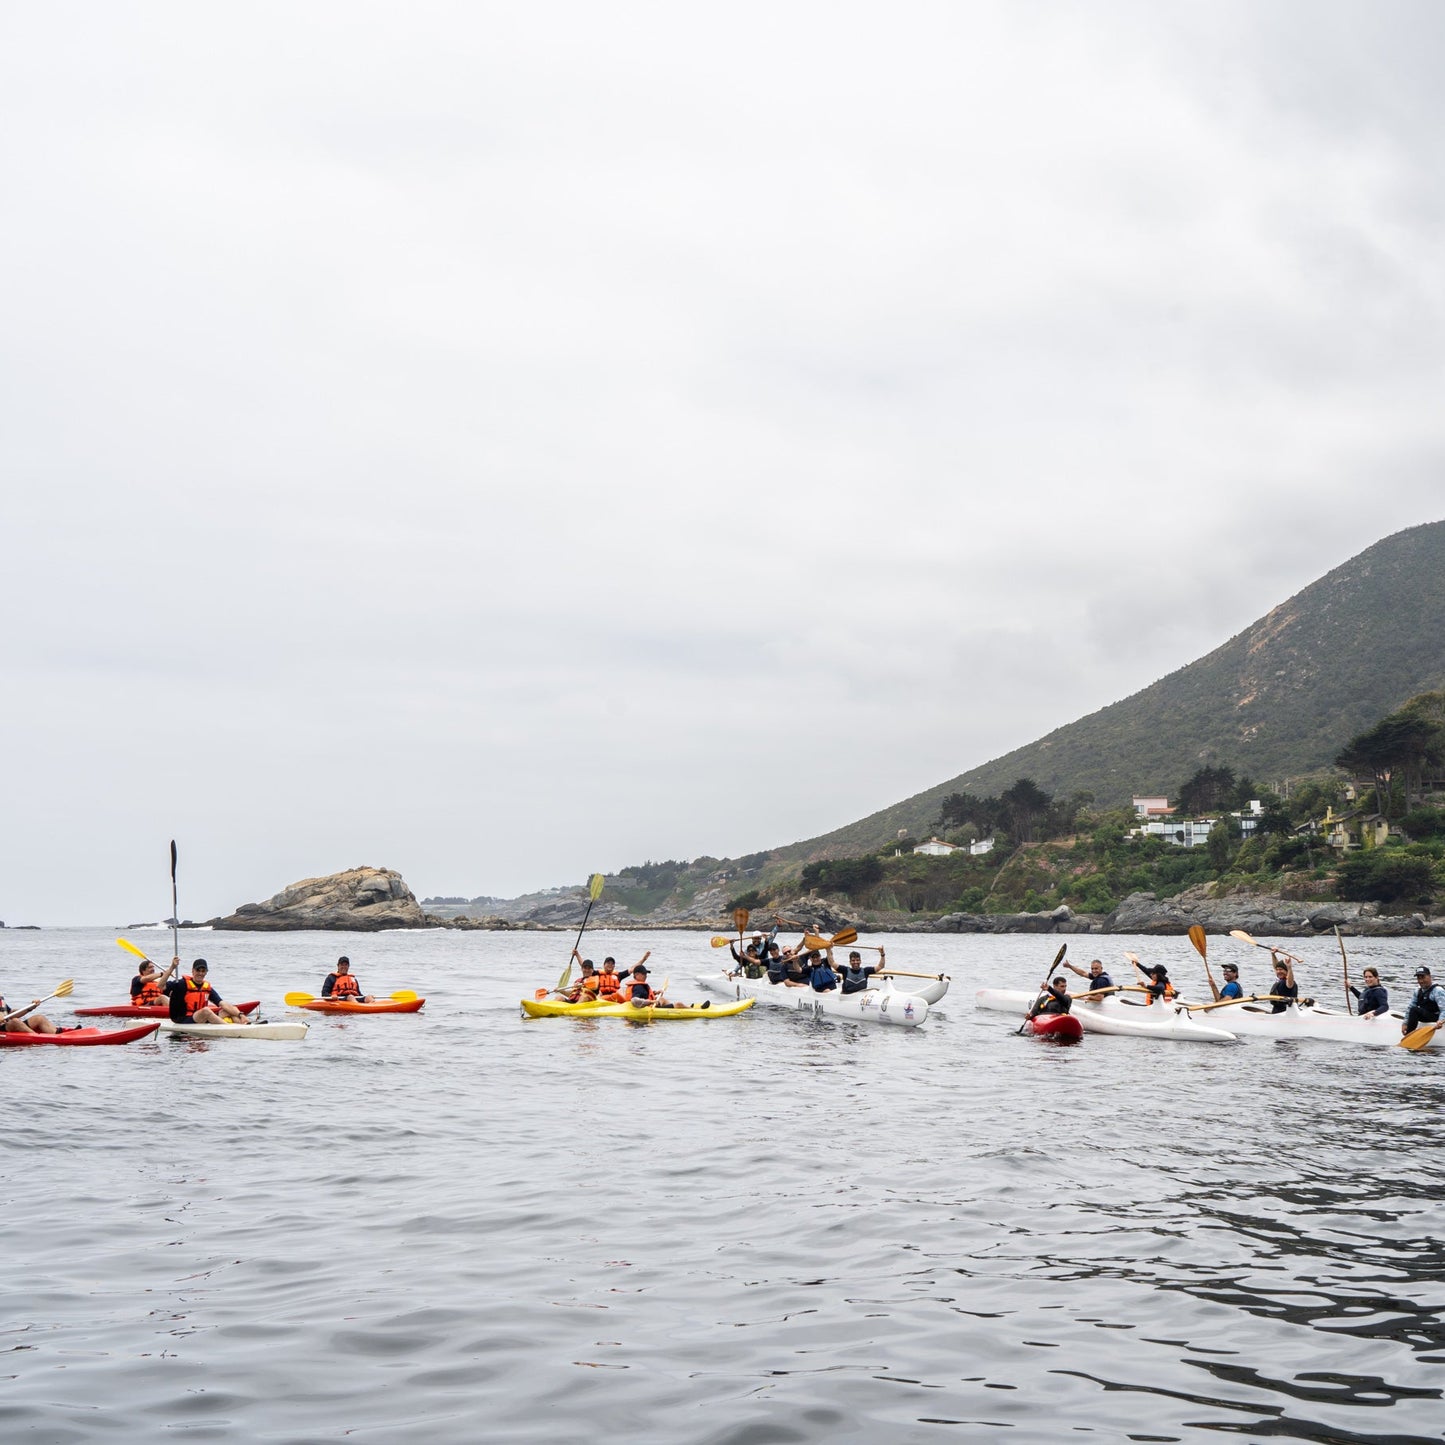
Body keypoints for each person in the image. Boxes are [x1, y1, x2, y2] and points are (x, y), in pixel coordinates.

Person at [168, 961, 251, 1025]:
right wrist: (172, 967)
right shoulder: (182, 984)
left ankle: (243, 1025)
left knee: (228, 1010)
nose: (200, 973)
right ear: (193, 971)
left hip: (201, 1017)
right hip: (184, 1019)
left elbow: (222, 1003)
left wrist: (241, 1015)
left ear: (206, 972)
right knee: (206, 1011)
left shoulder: (207, 987)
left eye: (203, 971)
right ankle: (229, 1028)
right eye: (198, 970)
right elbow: (161, 986)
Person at [1402, 966, 1445, 1037]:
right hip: (1426, 1016)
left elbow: (1444, 1009)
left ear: (1429, 976)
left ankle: (1409, 1035)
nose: (1421, 981)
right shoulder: (1417, 991)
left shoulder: (1438, 991)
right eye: (1419, 978)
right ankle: (1411, 1032)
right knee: (1413, 1009)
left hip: (1436, 1018)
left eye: (1423, 977)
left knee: (1414, 1010)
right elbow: (1410, 1007)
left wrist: (1440, 1021)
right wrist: (1405, 1023)